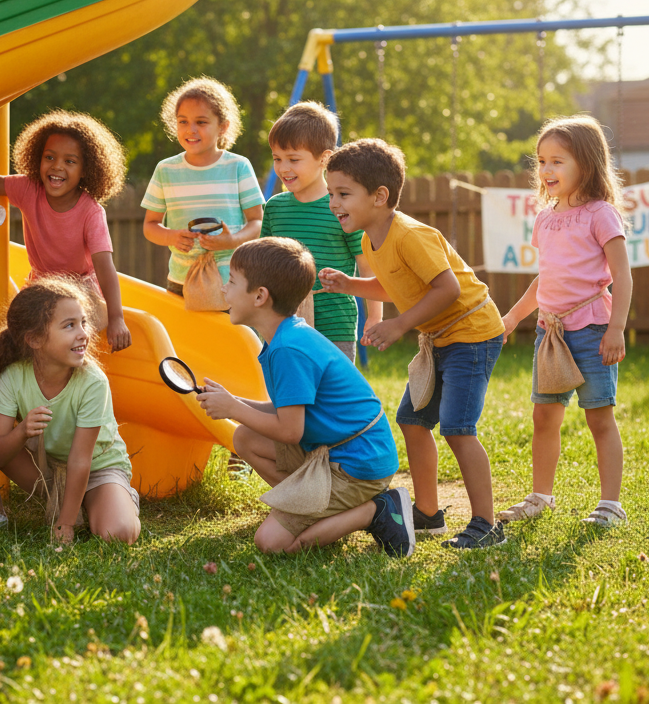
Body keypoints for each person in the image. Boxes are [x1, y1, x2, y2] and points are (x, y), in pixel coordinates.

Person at [318, 139, 507, 549]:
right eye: (331, 193)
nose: (333, 202)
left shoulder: (409, 234)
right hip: (442, 337)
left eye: (343, 194)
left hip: (471, 333)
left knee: (458, 428)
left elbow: (447, 288)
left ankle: (487, 524)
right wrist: (351, 284)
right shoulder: (372, 238)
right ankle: (428, 512)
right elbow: (397, 284)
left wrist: (401, 325)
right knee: (413, 420)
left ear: (380, 196)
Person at [193, 237, 411, 556]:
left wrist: (234, 408)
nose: (224, 289)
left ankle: (376, 509)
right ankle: (309, 509)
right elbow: (288, 411)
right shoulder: (284, 336)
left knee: (272, 543)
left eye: (231, 281)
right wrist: (232, 402)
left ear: (260, 296)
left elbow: (290, 431)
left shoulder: (288, 350)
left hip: (358, 465)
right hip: (337, 451)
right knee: (246, 439)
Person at [499, 115, 633, 528]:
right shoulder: (545, 217)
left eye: (558, 161)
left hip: (593, 330)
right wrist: (511, 318)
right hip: (550, 332)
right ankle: (541, 496)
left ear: (587, 164)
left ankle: (610, 504)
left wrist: (615, 329)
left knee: (599, 417)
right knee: (544, 417)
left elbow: (623, 275)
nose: (546, 170)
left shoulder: (601, 214)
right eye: (542, 161)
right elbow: (547, 279)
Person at [0, 276, 141, 544]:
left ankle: (101, 500)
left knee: (119, 533)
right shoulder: (13, 377)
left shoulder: (92, 381)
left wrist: (64, 525)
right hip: (47, 470)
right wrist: (21, 433)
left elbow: (80, 460)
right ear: (34, 340)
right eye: (69, 325)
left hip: (98, 469)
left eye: (83, 323)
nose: (83, 334)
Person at [0, 110, 132, 352]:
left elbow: (105, 267)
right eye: (49, 157)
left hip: (81, 288)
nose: (57, 167)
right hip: (41, 283)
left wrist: (117, 318)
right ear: (38, 157)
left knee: (68, 330)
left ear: (86, 170)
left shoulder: (91, 212)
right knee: (17, 332)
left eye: (70, 161)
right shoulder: (28, 189)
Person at [261, 100, 383, 359]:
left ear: (324, 159)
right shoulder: (274, 207)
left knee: (333, 396)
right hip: (282, 325)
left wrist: (375, 315)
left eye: (293, 159)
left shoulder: (342, 209)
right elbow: (263, 267)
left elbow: (367, 265)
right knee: (287, 395)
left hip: (334, 327)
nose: (283, 168)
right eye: (277, 158)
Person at [141, 76, 265, 296]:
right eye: (183, 121)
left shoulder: (238, 167)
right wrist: (172, 237)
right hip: (181, 282)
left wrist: (232, 241)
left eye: (201, 122)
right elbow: (150, 226)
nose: (191, 129)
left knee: (231, 332)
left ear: (223, 127)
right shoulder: (165, 170)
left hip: (232, 283)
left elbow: (257, 221)